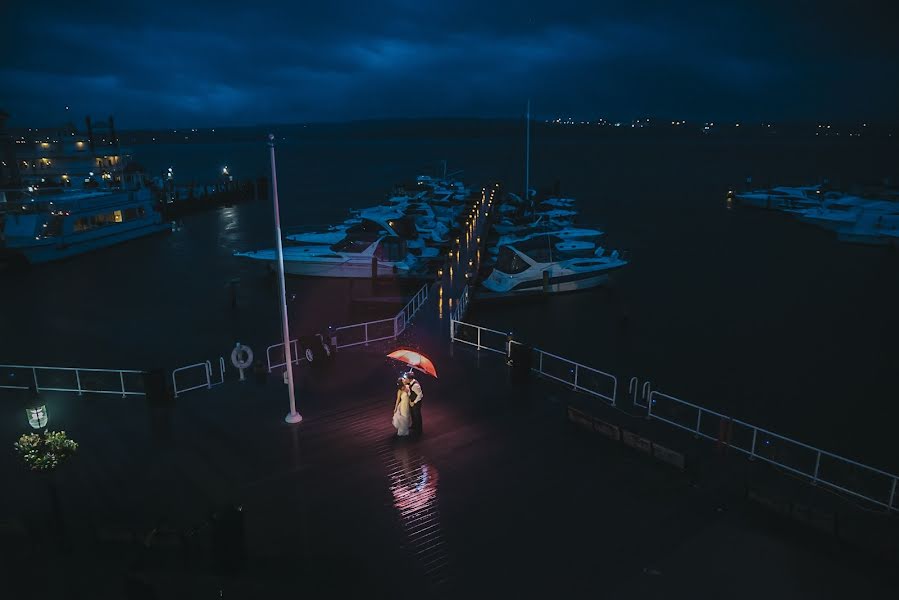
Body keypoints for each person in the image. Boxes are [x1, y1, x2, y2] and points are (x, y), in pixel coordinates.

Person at [404, 372, 424, 437]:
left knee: (417, 415)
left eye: (406, 378)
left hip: (416, 402)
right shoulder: (410, 383)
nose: (405, 379)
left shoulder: (415, 385)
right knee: (413, 414)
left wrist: (414, 402)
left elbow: (420, 395)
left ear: (410, 379)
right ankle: (414, 425)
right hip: (412, 400)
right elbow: (411, 392)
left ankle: (419, 429)